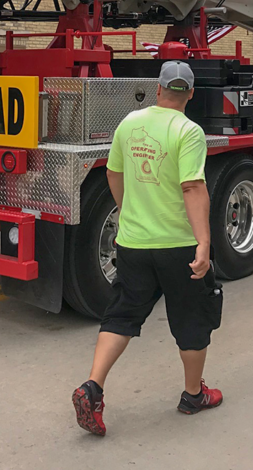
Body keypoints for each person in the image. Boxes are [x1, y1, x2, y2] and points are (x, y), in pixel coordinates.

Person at [72, 60, 223, 437]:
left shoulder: (129, 123)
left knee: (122, 314)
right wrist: (204, 243)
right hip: (177, 245)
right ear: (190, 94)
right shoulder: (188, 131)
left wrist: (127, 210)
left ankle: (92, 386)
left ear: (158, 90)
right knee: (192, 318)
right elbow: (192, 187)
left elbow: (113, 172)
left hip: (133, 244)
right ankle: (193, 395)